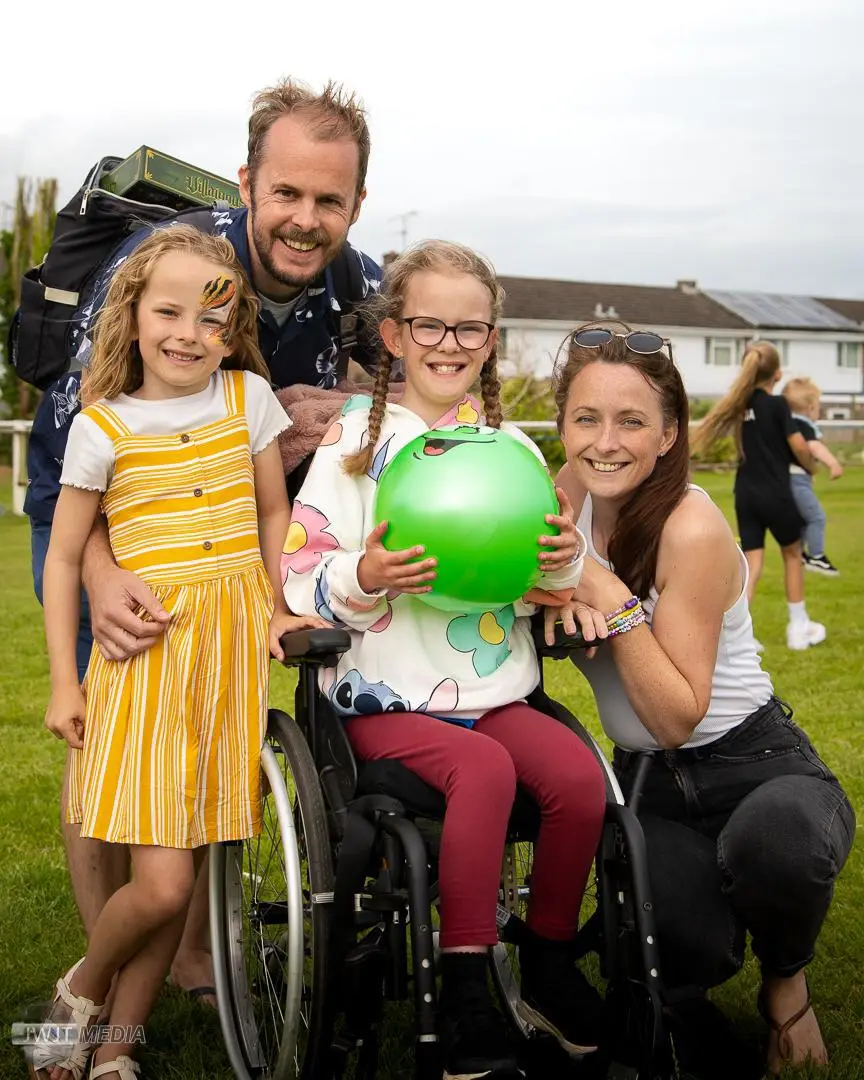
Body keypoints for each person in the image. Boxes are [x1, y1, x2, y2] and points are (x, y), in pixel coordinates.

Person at [24, 76, 380, 1003]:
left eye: (328, 200)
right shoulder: (169, 262)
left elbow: (430, 388)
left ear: (356, 203)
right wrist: (103, 576)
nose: (306, 219)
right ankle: (98, 983)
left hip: (231, 552)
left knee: (211, 746)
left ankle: (185, 956)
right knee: (111, 750)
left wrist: (350, 410)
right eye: (287, 194)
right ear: (247, 183)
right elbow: (76, 434)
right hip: (109, 524)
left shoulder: (361, 283)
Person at [283, 241, 608, 1079]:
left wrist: (565, 557)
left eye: (471, 328)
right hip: (381, 699)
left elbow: (547, 575)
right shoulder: (353, 444)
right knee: (484, 771)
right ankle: (466, 986)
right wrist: (365, 573)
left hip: (492, 688)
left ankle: (546, 960)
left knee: (576, 780)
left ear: (491, 339)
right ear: (393, 335)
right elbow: (298, 570)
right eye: (430, 324)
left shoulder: (513, 452)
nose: (450, 343)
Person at [32, 226, 325, 1080]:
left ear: (233, 333)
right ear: (135, 313)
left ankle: (116, 1052)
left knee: (188, 862)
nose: (188, 333)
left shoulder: (247, 403)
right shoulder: (103, 427)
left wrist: (275, 604)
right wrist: (62, 679)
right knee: (158, 885)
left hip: (229, 664)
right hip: (148, 666)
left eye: (212, 318)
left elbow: (275, 515)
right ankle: (79, 989)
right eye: (169, 310)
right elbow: (63, 557)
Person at [550, 326, 855, 1077]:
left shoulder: (691, 526)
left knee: (776, 844)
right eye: (586, 418)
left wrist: (608, 596)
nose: (605, 442)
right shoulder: (564, 496)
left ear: (668, 433)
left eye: (631, 421)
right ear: (563, 425)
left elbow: (677, 712)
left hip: (755, 761)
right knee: (674, 953)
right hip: (649, 784)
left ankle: (787, 980)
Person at [691, 341, 825, 651]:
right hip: (776, 494)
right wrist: (811, 467)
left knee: (752, 563)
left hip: (745, 495)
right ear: (777, 374)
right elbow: (801, 447)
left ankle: (740, 638)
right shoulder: (778, 405)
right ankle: (798, 627)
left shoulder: (738, 407)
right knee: (793, 556)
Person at [781, 377, 843, 577]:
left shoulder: (786, 423)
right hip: (797, 481)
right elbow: (813, 446)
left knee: (803, 519)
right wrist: (832, 463)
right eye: (818, 407)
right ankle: (816, 556)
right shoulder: (803, 424)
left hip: (787, 479)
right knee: (817, 517)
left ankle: (800, 554)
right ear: (810, 407)